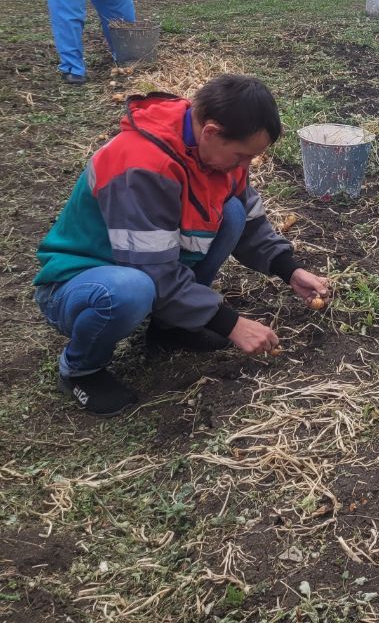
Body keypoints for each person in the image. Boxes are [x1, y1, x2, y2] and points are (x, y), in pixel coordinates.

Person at [33, 74, 331, 415]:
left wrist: (289, 270)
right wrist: (231, 323)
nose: (244, 167)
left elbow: (249, 221)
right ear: (211, 132)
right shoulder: (141, 166)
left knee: (231, 212)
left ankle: (171, 327)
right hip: (81, 282)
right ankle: (80, 370)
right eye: (241, 156)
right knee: (132, 290)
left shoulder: (215, 153)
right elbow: (152, 271)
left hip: (144, 268)